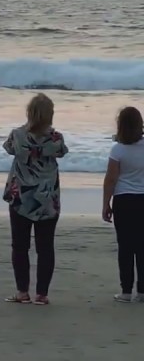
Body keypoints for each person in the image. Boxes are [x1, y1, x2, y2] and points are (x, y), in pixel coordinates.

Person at [2, 93, 67, 305]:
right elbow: (62, 152)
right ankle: (42, 295)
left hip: (21, 197)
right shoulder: (56, 139)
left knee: (20, 246)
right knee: (45, 247)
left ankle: (22, 292)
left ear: (29, 113)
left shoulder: (18, 135)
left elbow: (8, 148)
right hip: (47, 199)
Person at [103, 106, 144, 302]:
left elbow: (111, 179)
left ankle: (126, 291)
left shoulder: (117, 149)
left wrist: (106, 204)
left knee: (125, 247)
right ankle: (143, 291)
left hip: (124, 200)